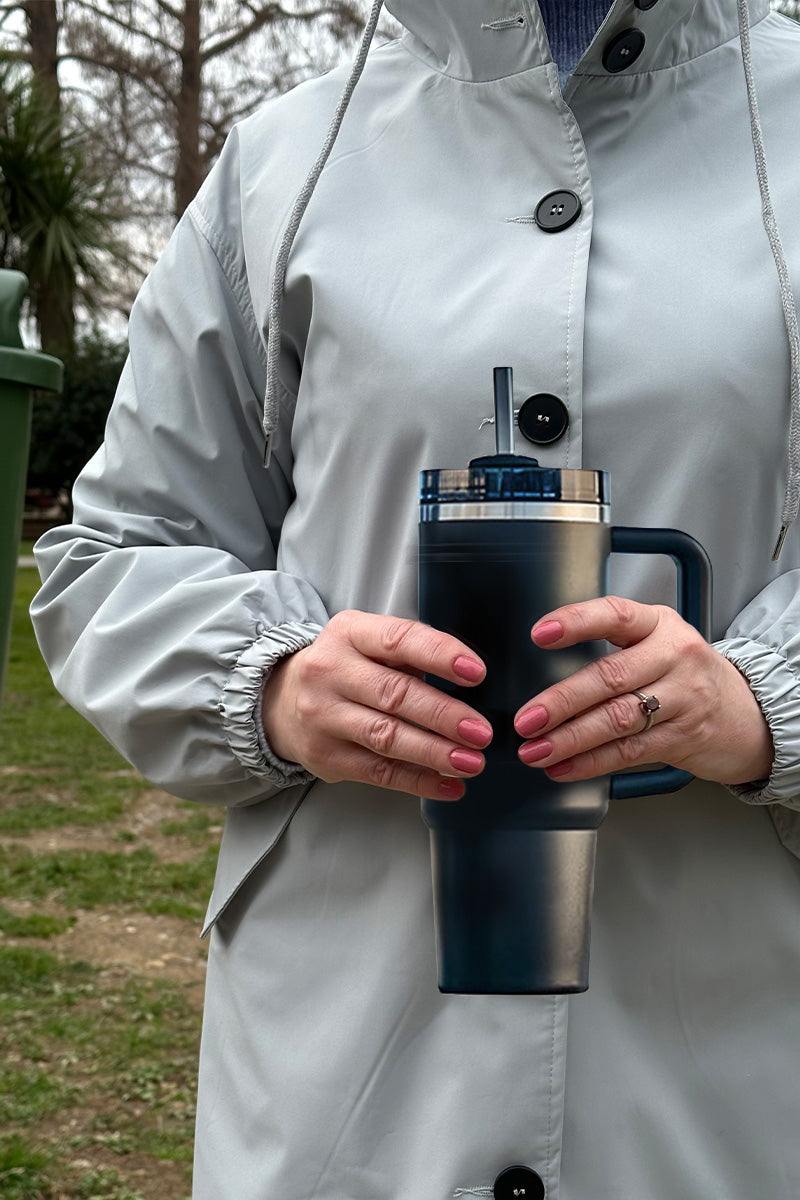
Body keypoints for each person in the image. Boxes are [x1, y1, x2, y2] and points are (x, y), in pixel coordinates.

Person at [28, 0, 800, 1196]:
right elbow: (120, 549)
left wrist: (762, 703)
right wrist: (273, 682)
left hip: (727, 1076)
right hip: (347, 1076)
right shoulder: (282, 162)